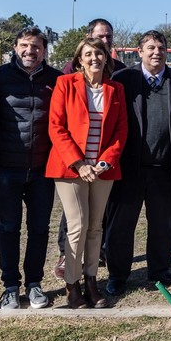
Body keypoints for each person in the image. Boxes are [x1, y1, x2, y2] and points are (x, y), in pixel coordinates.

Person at [104, 31, 171, 294]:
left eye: (161, 48)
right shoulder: (123, 80)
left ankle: (159, 271)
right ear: (139, 51)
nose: (156, 52)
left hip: (166, 171)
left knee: (162, 226)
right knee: (121, 226)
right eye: (150, 48)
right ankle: (118, 275)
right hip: (128, 169)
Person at [0, 27, 62, 310]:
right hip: (6, 168)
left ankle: (35, 284)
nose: (31, 51)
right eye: (25, 46)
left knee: (39, 228)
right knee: (9, 227)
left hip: (42, 170)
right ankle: (11, 287)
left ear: (44, 50)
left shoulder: (57, 80)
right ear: (15, 47)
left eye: (37, 47)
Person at [46, 37, 127, 309]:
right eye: (88, 54)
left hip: (102, 169)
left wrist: (103, 163)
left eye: (99, 53)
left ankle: (92, 280)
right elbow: (56, 127)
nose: (95, 58)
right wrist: (79, 163)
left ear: (106, 58)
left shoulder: (116, 89)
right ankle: (72, 284)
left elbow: (120, 132)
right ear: (79, 59)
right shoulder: (64, 84)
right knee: (78, 226)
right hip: (70, 168)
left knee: (95, 227)